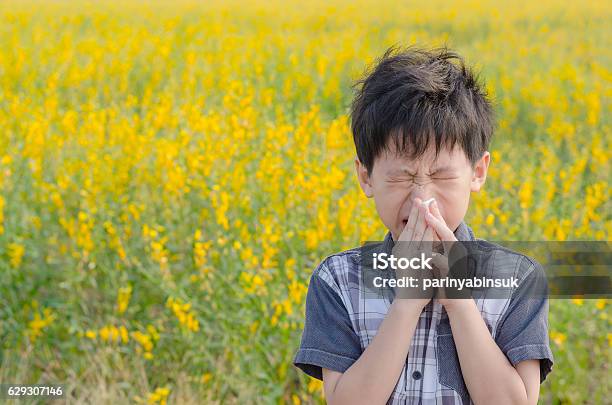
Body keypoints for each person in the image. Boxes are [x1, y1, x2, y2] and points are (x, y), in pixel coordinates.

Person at [293, 45, 553, 404]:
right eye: (401, 177)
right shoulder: (338, 279)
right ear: (366, 178)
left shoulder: (518, 279)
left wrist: (460, 302)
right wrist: (406, 303)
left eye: (441, 176)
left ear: (478, 173)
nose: (422, 200)